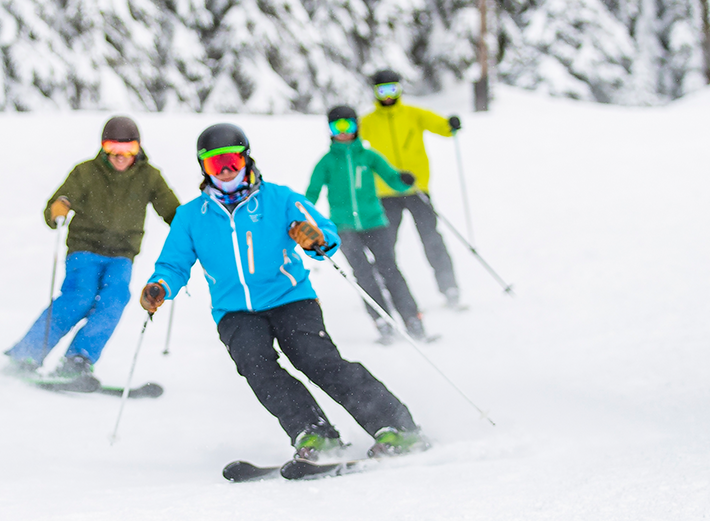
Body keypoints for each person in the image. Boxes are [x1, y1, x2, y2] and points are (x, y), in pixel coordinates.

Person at [138, 123, 428, 462]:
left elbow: (325, 233)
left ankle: (397, 426)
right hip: (235, 311)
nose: (227, 170)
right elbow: (173, 264)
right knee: (256, 366)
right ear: (204, 168)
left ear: (246, 158)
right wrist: (160, 287)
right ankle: (314, 432)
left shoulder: (280, 198)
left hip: (291, 299)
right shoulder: (191, 217)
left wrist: (313, 237)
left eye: (232, 160)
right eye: (217, 164)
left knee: (316, 359)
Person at [5, 116, 179, 382]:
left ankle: (79, 358)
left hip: (122, 255)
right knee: (80, 296)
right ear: (103, 147)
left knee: (116, 298)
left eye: (128, 149)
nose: (120, 156)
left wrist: (187, 228)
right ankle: (27, 353)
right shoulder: (86, 172)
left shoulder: (149, 176)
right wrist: (58, 209)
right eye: (113, 149)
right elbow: (59, 201)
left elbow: (171, 210)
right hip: (84, 250)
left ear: (138, 148)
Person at [304, 105, 429, 344]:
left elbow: (392, 178)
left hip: (375, 223)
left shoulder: (369, 156)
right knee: (363, 274)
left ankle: (413, 319)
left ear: (356, 127)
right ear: (329, 130)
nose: (343, 132)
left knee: (390, 269)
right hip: (344, 227)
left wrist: (403, 180)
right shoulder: (327, 162)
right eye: (336, 127)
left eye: (347, 126)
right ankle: (382, 321)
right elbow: (312, 192)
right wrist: (300, 215)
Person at [359, 69, 466, 309]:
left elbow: (442, 127)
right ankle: (384, 291)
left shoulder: (413, 114)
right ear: (375, 92)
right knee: (383, 245)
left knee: (432, 238)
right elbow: (349, 145)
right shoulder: (367, 121)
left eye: (392, 89)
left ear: (399, 89)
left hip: (417, 190)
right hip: (385, 194)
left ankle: (449, 287)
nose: (387, 95)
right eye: (382, 90)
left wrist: (451, 124)